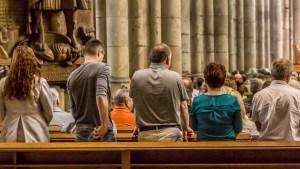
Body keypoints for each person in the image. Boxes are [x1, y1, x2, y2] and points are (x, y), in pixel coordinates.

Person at [130, 43, 194, 142]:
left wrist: (138, 125)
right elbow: (183, 106)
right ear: (168, 59)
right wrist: (186, 127)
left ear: (150, 58)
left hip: (145, 134)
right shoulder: (175, 77)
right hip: (171, 133)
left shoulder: (137, 76)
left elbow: (136, 104)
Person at [0, 46, 53, 142]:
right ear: (32, 61)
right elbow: (49, 112)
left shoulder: (3, 83)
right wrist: (39, 121)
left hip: (10, 131)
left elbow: (2, 111)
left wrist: (11, 116)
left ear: (13, 61)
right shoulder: (39, 82)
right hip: (36, 130)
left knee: (10, 156)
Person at [67, 39, 115, 142]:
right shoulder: (102, 68)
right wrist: (104, 125)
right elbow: (101, 96)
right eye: (103, 56)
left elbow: (73, 109)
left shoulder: (72, 76)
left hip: (80, 132)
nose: (103, 59)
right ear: (99, 52)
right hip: (99, 131)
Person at [190, 62, 242, 141]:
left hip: (204, 144)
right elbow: (238, 128)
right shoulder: (232, 100)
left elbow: (193, 127)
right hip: (228, 144)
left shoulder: (197, 100)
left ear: (206, 81)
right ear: (224, 80)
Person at [252, 58, 300, 141]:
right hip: (292, 146)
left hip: (265, 146)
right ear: (288, 76)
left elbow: (258, 127)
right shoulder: (298, 95)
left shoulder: (258, 96)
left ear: (271, 74)